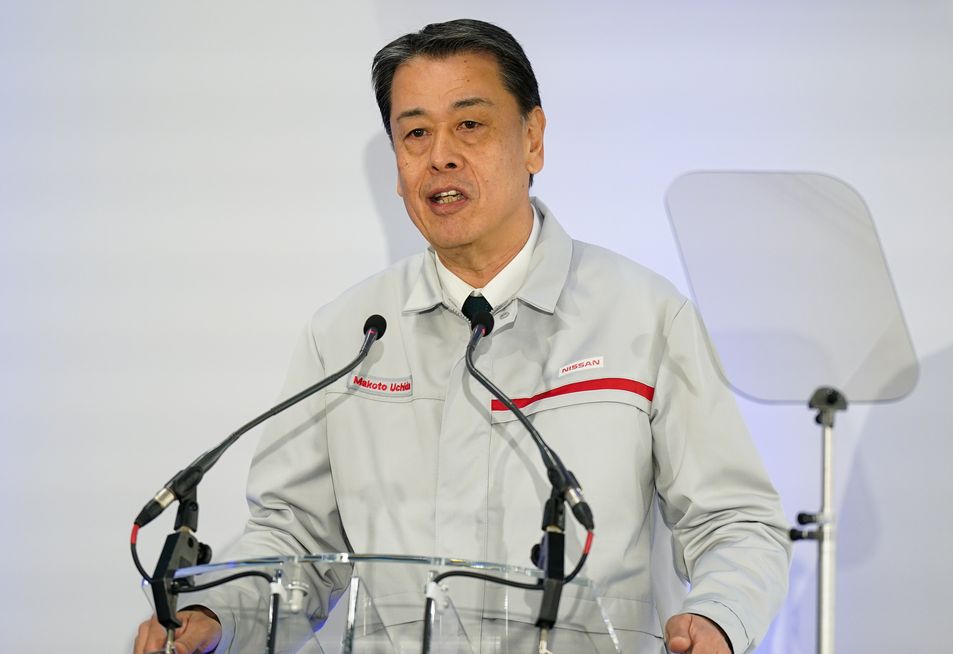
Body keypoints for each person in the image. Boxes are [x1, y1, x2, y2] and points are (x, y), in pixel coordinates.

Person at [133, 19, 789, 654]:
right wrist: (211, 612)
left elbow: (735, 522)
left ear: (532, 139)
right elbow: (293, 533)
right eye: (414, 133)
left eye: (470, 125)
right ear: (396, 166)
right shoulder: (350, 335)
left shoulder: (644, 317)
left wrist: (718, 619)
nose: (440, 154)